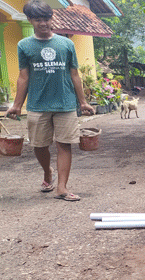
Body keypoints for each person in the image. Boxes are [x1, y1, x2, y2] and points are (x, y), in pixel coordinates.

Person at [6, 0, 94, 201]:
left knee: (65, 144)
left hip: (65, 103)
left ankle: (62, 187)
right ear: (30, 20)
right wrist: (17, 105)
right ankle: (48, 172)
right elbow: (23, 76)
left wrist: (83, 102)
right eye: (38, 20)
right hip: (38, 104)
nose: (43, 23)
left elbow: (74, 75)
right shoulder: (24, 45)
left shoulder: (66, 44)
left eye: (46, 18)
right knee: (39, 145)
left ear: (51, 18)